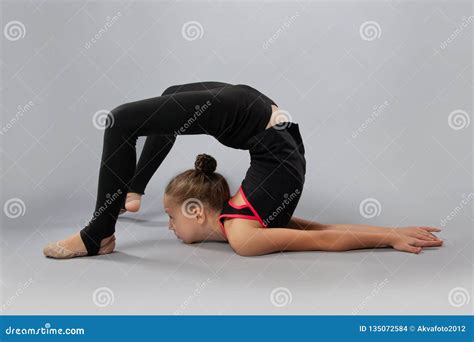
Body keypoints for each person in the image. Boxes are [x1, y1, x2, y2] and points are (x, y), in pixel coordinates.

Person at [43, 81, 443, 259]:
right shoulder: (243, 228)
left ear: (198, 210)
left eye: (171, 217)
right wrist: (389, 233)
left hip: (270, 126)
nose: (169, 227)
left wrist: (390, 234)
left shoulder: (242, 229)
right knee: (128, 119)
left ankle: (99, 233)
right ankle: (125, 198)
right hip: (261, 125)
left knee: (127, 118)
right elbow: (318, 233)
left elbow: (318, 235)